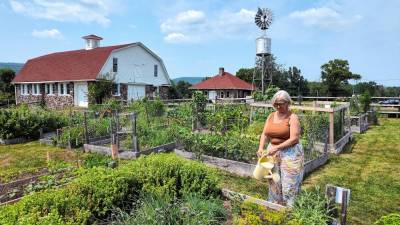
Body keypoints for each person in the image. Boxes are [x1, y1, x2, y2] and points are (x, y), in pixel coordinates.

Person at [257, 90, 304, 206]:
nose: (278, 106)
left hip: (290, 153)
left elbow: (294, 139)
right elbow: (265, 134)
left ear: (287, 103)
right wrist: (260, 147)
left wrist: (277, 147)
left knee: (289, 184)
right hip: (273, 152)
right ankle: (274, 207)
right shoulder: (271, 116)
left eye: (281, 103)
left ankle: (290, 210)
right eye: (276, 104)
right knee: (274, 181)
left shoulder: (292, 117)